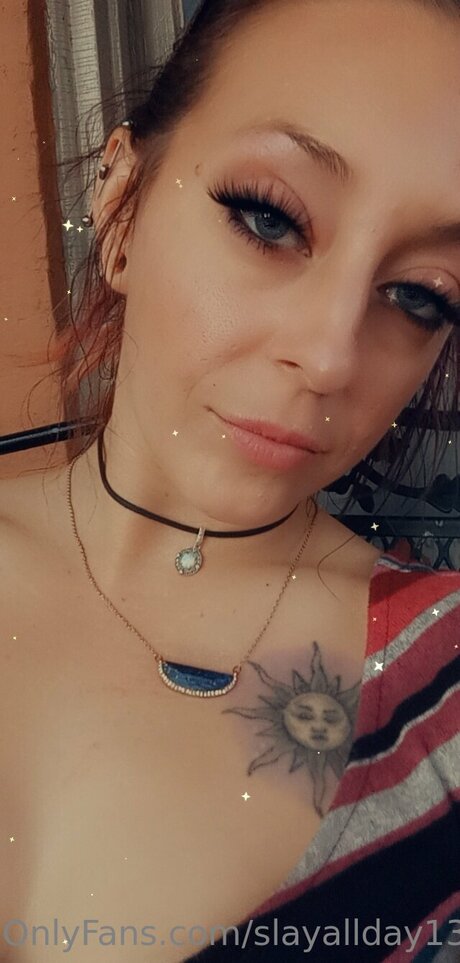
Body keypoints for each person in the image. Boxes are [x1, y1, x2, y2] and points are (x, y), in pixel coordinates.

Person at [1, 0, 460, 960]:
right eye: (267, 217)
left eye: (420, 295)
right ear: (122, 207)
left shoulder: (442, 694)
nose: (330, 355)